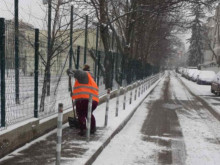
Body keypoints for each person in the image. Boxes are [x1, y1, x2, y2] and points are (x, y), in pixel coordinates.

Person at [67, 64, 99, 136]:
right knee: (88, 113)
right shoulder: (91, 77)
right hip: (93, 100)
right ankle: (92, 128)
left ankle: (83, 130)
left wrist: (70, 71)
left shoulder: (85, 74)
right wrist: (75, 96)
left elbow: (78, 73)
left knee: (81, 114)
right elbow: (84, 89)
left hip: (84, 100)